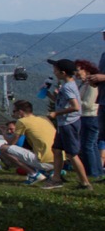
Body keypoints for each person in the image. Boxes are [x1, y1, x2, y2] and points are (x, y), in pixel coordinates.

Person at [42, 59, 92, 190]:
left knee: (71, 154)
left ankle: (85, 183)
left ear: (63, 73)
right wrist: (49, 94)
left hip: (69, 123)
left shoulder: (68, 87)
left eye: (55, 70)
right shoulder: (68, 85)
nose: (54, 72)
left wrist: (56, 113)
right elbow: (62, 102)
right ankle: (56, 178)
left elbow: (75, 107)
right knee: (57, 149)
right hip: (63, 123)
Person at [0, 100, 56, 184]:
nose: (13, 114)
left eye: (14, 111)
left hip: (44, 161)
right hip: (58, 161)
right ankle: (50, 172)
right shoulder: (44, 118)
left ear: (20, 112)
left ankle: (34, 174)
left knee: (3, 148)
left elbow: (11, 143)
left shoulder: (22, 121)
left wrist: (4, 132)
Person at [74, 59, 102, 180]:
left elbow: (89, 104)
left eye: (78, 70)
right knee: (92, 145)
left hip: (90, 116)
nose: (76, 73)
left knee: (87, 145)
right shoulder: (84, 84)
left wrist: (74, 101)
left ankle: (92, 172)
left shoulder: (91, 85)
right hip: (88, 117)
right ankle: (97, 171)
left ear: (86, 70)